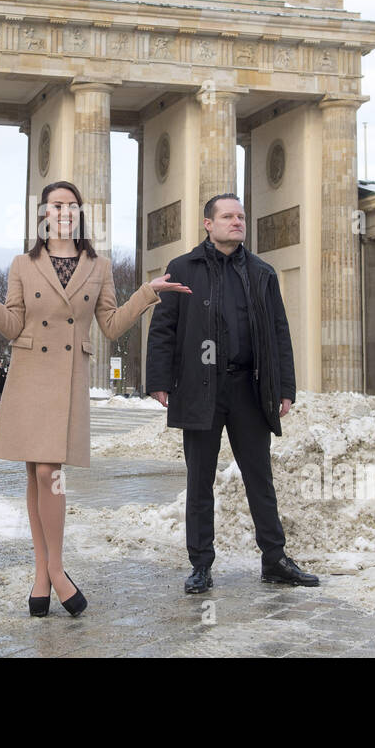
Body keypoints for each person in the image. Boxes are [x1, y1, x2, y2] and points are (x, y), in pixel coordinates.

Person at [0, 179, 186, 617]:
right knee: (36, 474)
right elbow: (13, 326)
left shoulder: (100, 265)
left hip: (69, 377)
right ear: (43, 214)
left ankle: (53, 569)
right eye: (56, 205)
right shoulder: (22, 264)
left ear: (79, 213)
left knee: (51, 472)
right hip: (30, 375)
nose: (65, 211)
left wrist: (148, 293)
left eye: (72, 205)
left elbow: (110, 325)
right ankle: (45, 572)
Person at [146, 192, 318, 596]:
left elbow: (280, 333)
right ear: (208, 223)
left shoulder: (261, 272)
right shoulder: (182, 268)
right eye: (227, 216)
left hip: (249, 388)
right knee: (200, 480)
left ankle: (274, 560)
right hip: (199, 387)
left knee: (260, 478)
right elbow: (163, 328)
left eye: (240, 216)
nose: (236, 222)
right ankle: (201, 566)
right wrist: (159, 380)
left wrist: (285, 387)